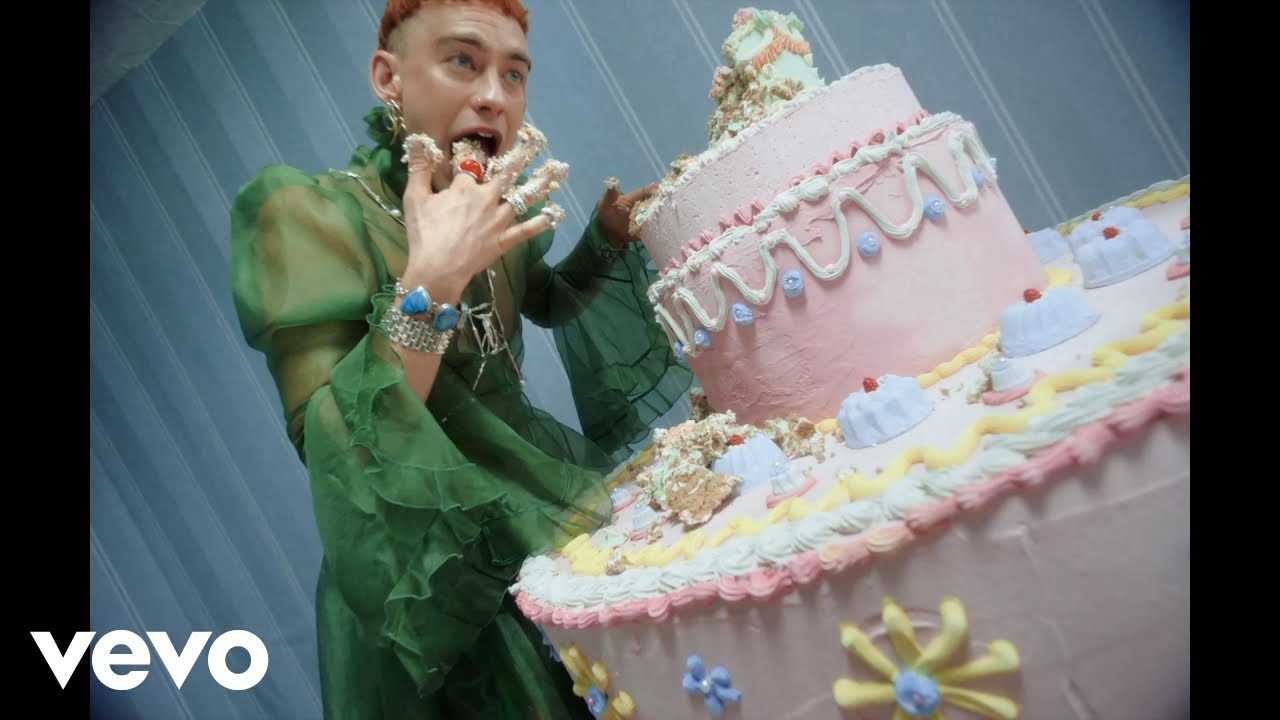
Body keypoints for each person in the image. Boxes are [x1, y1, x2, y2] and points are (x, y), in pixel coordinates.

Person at [229, 1, 692, 717]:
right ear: (388, 77)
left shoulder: (492, 202)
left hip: (537, 496)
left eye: (515, 75)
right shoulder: (311, 214)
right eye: (463, 62)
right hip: (429, 559)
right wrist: (431, 283)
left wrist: (603, 241)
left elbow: (544, 300)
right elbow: (332, 443)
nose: (494, 96)